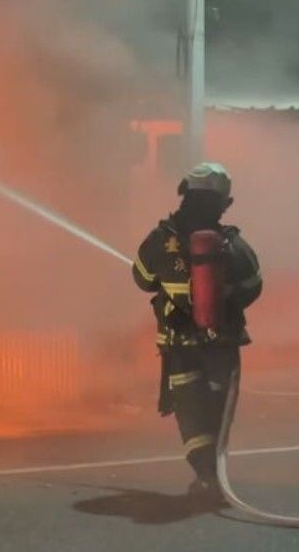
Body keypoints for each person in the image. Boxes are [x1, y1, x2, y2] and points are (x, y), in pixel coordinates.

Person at [132, 162, 262, 501]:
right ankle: (213, 478)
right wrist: (221, 301)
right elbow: (253, 285)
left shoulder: (161, 240)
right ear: (224, 203)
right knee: (217, 411)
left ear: (184, 194)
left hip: (179, 345)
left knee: (190, 413)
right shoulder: (231, 245)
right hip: (222, 344)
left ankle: (206, 477)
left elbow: (143, 280)